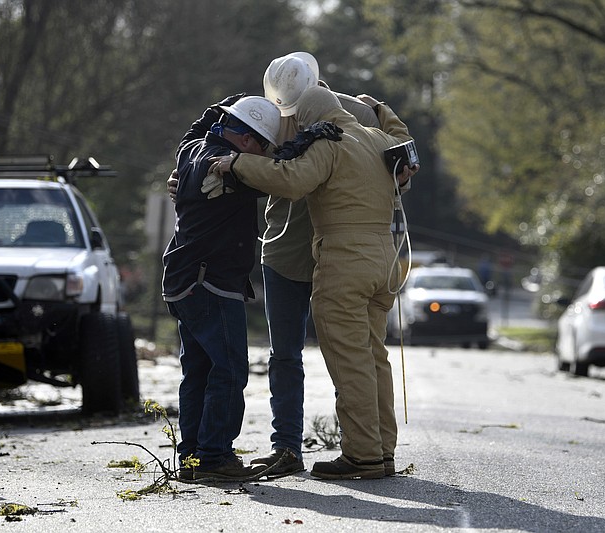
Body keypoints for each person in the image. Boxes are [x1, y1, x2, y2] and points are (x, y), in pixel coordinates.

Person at [167, 52, 417, 479]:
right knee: (355, 355)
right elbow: (402, 155)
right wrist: (191, 175)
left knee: (342, 357)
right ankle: (361, 449)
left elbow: (291, 178)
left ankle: (362, 454)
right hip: (343, 254)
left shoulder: (335, 127)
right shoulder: (341, 123)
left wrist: (236, 164)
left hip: (335, 255)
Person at [162, 94, 282, 482]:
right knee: (229, 372)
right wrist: (310, 138)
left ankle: (193, 459)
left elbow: (194, 131)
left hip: (185, 280)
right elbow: (282, 172)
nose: (263, 153)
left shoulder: (192, 149)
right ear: (246, 142)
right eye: (262, 144)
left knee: (198, 371)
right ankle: (215, 458)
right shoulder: (228, 167)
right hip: (210, 281)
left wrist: (223, 106)